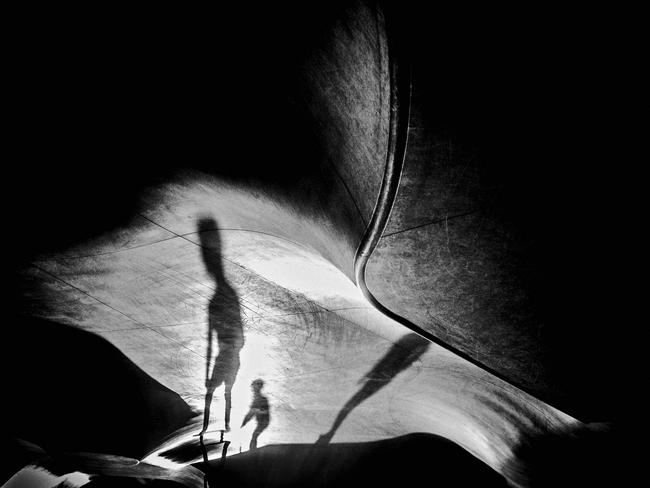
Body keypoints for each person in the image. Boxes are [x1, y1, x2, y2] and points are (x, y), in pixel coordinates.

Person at [241, 379, 270, 450]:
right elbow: (250, 413)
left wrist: (256, 411)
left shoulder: (262, 399)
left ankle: (253, 452)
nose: (253, 389)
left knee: (254, 435)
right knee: (254, 436)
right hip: (260, 421)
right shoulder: (256, 398)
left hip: (264, 422)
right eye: (253, 387)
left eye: (254, 387)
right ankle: (252, 451)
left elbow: (265, 411)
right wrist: (245, 422)